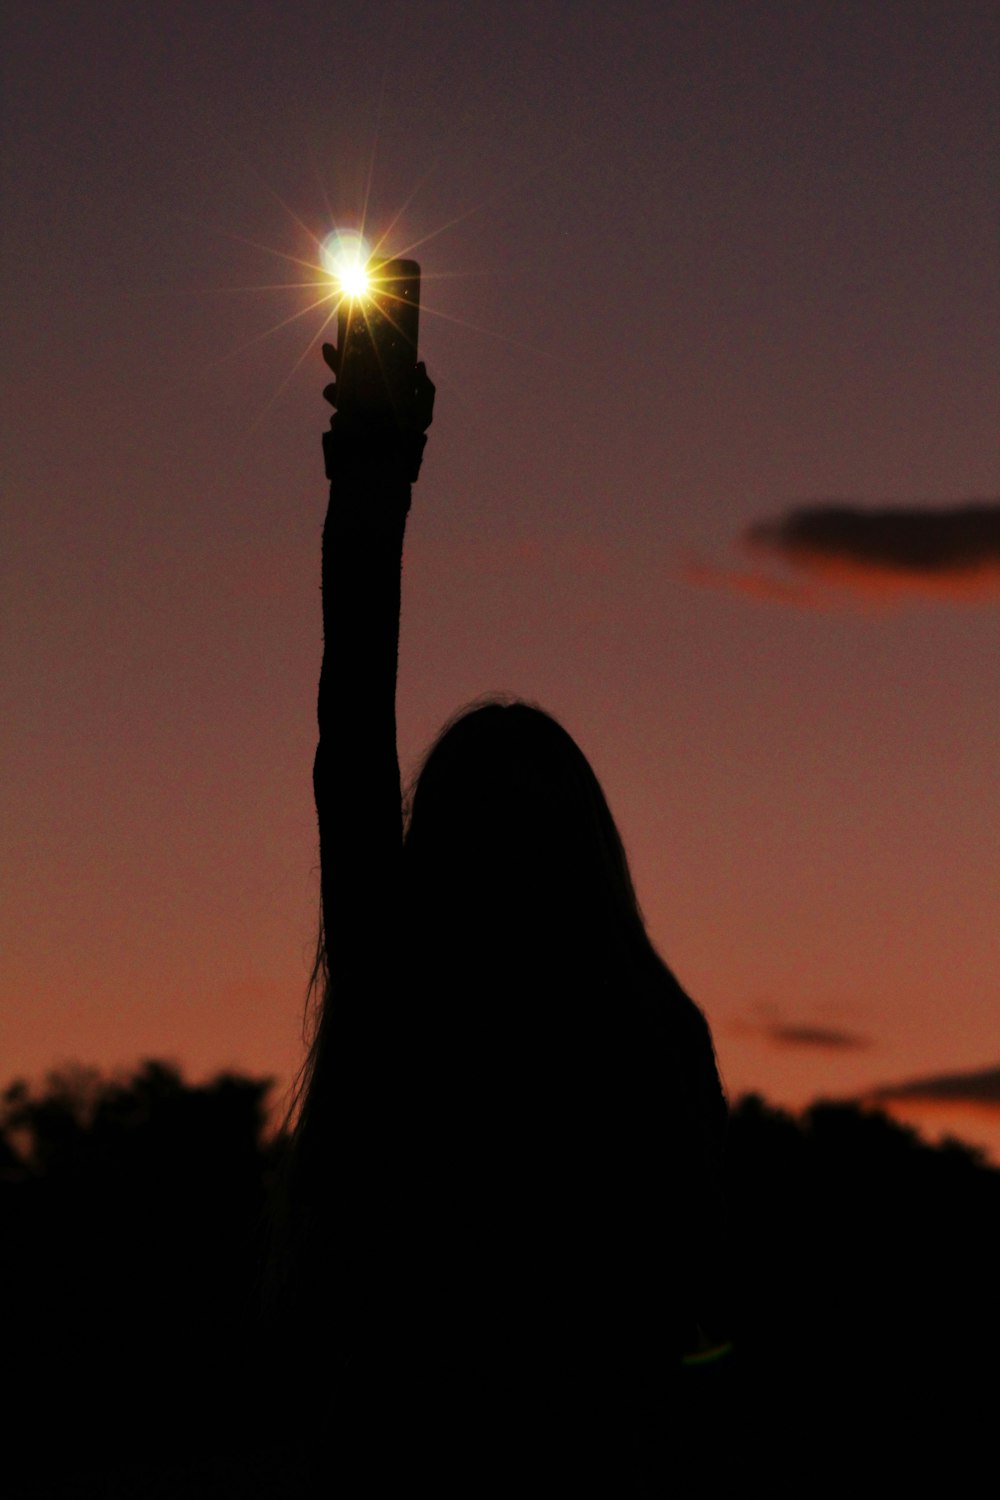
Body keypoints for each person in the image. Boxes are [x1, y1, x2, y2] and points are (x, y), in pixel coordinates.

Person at [272, 340, 728, 1495]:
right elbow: (704, 1315)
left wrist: (374, 470)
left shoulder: (413, 1003)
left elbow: (352, 745)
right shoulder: (642, 1033)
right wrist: (373, 473)